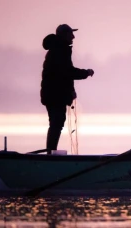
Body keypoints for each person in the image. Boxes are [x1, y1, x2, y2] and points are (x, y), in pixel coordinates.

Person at [40, 24, 94, 154]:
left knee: (57, 123)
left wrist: (71, 91)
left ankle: (51, 152)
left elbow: (63, 74)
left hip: (54, 94)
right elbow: (67, 72)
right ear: (64, 35)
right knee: (56, 123)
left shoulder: (59, 49)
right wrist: (86, 73)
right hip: (54, 95)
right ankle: (50, 154)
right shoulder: (59, 50)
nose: (73, 37)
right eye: (71, 34)